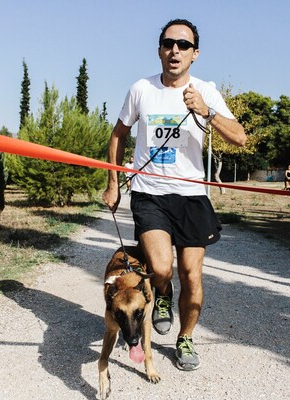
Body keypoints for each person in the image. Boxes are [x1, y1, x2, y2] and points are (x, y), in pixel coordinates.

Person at [102, 19, 246, 371]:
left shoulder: (206, 92)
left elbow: (240, 137)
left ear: (195, 54)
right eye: (169, 43)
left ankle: (185, 339)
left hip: (192, 196)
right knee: (162, 269)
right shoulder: (141, 89)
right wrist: (112, 181)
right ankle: (162, 295)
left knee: (192, 275)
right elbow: (118, 134)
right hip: (150, 193)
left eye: (183, 45)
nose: (175, 50)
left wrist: (206, 112)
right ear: (159, 50)